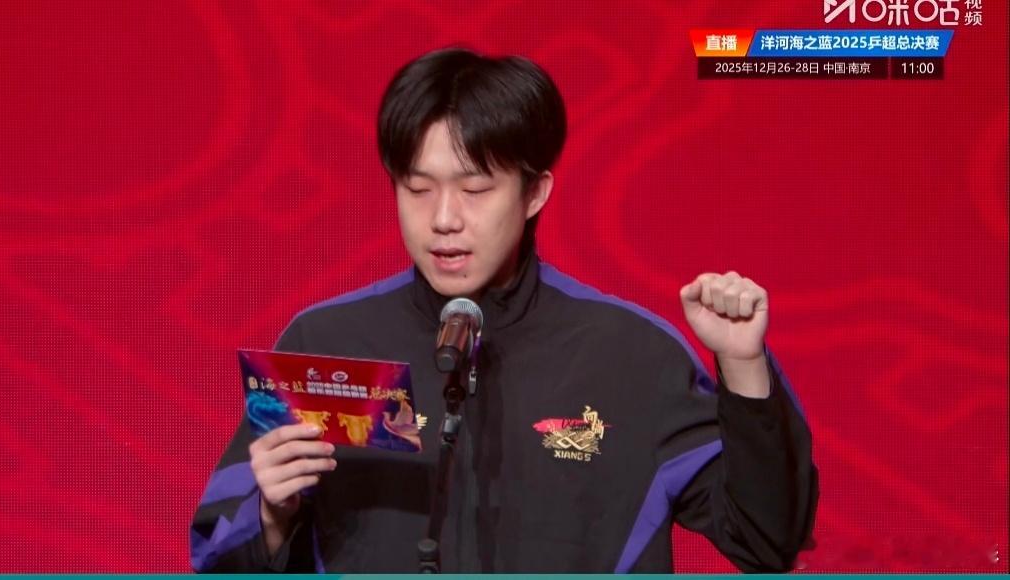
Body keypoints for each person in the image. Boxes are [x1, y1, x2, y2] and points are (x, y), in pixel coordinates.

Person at [190, 47, 818, 573]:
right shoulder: (327, 341)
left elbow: (766, 541)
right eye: (417, 188)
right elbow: (216, 558)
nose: (443, 219)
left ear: (534, 192)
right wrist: (270, 516)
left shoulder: (631, 352)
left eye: (475, 189)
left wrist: (743, 367)